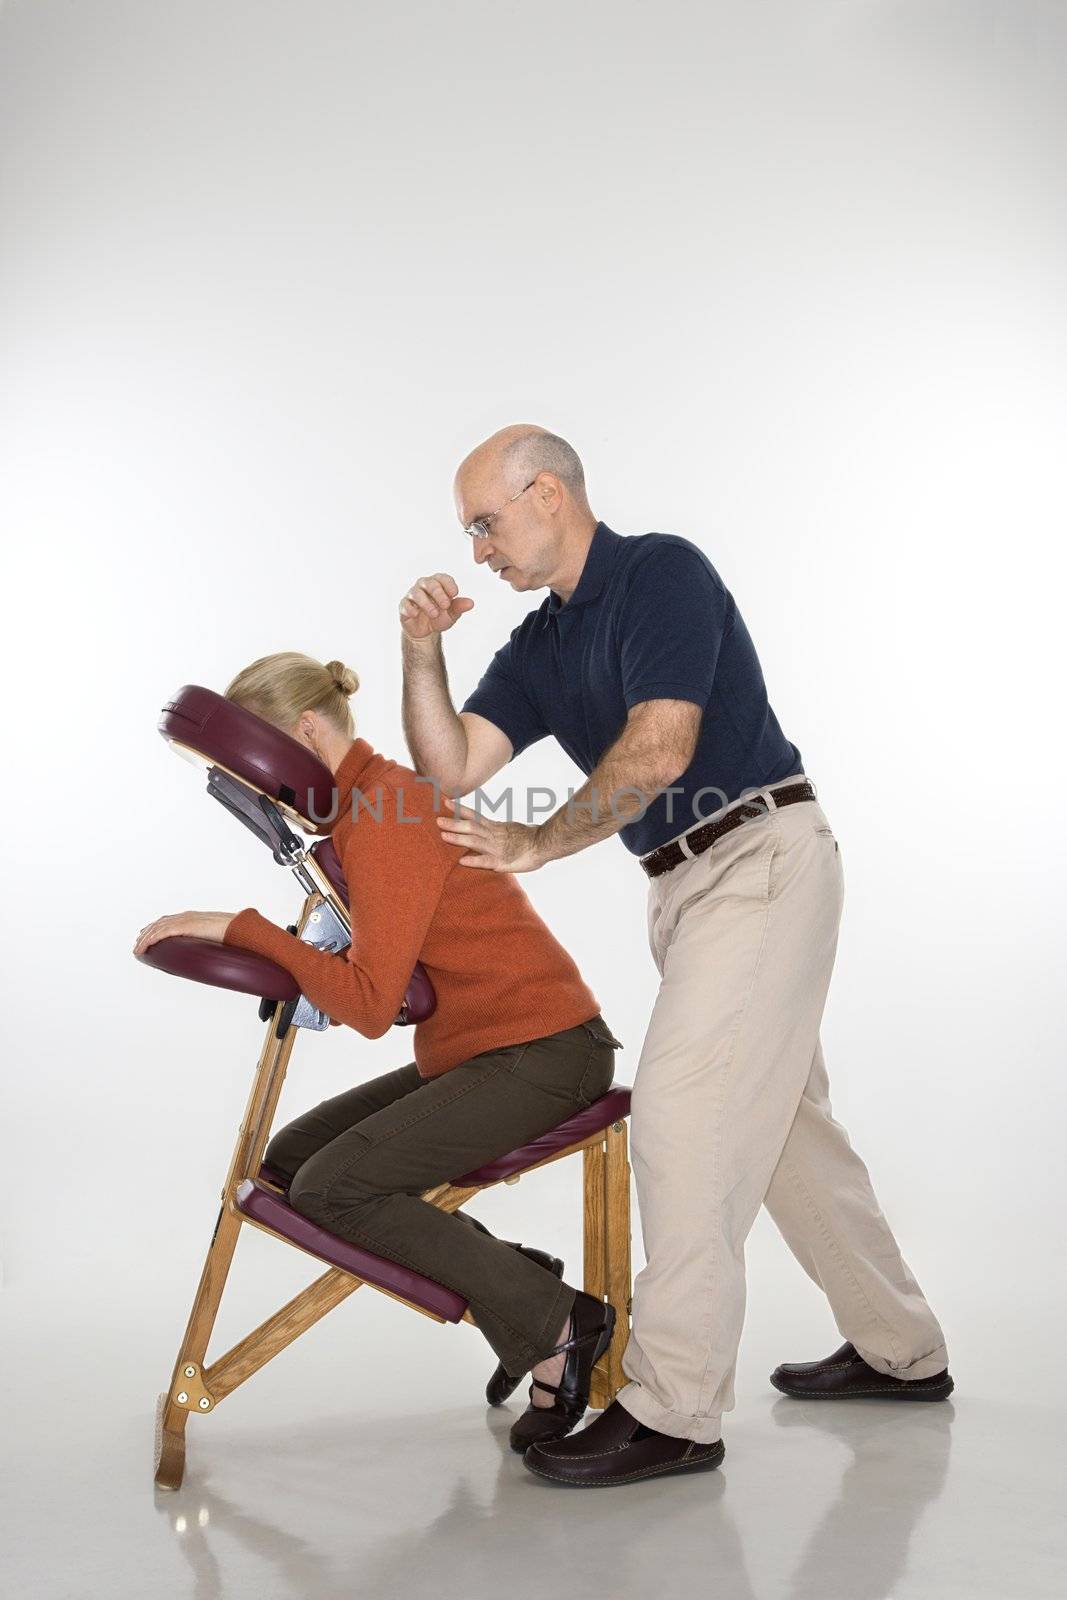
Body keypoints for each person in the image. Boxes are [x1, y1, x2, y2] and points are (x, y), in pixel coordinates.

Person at [398, 424, 953, 1488]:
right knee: (786, 1131)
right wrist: (421, 651)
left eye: (486, 522)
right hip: (688, 889)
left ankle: (673, 1407)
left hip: (760, 856)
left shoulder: (661, 572)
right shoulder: (539, 644)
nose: (477, 550)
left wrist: (536, 841)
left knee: (682, 1117)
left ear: (547, 493)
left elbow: (661, 744)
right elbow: (451, 768)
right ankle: (902, 1350)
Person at [132, 649, 625, 1454]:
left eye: (254, 767)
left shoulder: (385, 813)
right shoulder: (354, 813)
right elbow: (383, 982)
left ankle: (556, 1320)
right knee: (292, 1164)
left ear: (302, 733)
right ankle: (514, 1282)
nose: (255, 790)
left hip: (544, 1052)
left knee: (335, 1189)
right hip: (481, 1051)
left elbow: (364, 1005)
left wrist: (242, 929)